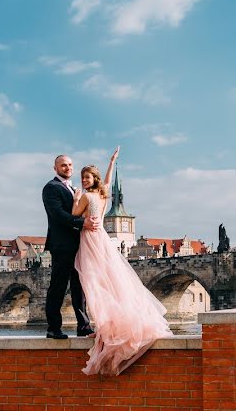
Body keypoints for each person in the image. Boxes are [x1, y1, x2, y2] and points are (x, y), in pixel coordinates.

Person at [73, 146, 172, 375]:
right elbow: (107, 182)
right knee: (111, 281)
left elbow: (74, 215)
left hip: (89, 240)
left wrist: (76, 198)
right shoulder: (102, 194)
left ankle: (103, 326)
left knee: (93, 283)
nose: (84, 180)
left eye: (86, 177)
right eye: (83, 178)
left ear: (92, 180)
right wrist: (111, 161)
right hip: (103, 240)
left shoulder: (88, 196)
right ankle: (109, 323)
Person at [42, 154, 99, 339]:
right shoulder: (51, 188)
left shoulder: (75, 189)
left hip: (79, 244)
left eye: (70, 165)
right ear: (55, 168)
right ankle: (53, 328)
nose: (67, 168)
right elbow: (58, 215)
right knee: (58, 285)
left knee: (79, 286)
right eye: (63, 165)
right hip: (62, 245)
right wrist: (83, 223)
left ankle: (83, 327)